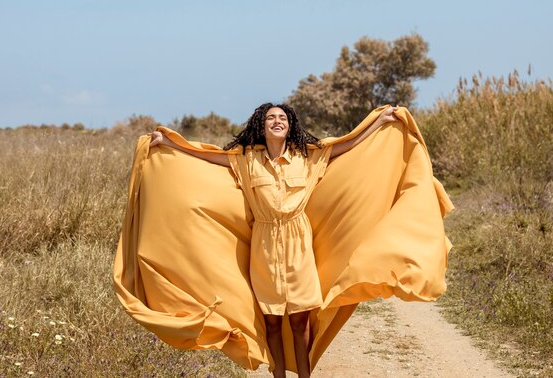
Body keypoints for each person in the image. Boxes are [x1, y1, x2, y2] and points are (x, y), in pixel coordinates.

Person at [149, 102, 399, 378]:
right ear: (262, 125)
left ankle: (304, 375)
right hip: (264, 245)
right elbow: (206, 157)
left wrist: (378, 123)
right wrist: (170, 144)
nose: (277, 121)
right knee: (271, 321)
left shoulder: (307, 157)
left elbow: (349, 145)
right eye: (271, 118)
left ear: (290, 125)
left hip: (299, 244)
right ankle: (277, 374)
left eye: (282, 118)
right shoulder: (246, 159)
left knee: (299, 320)